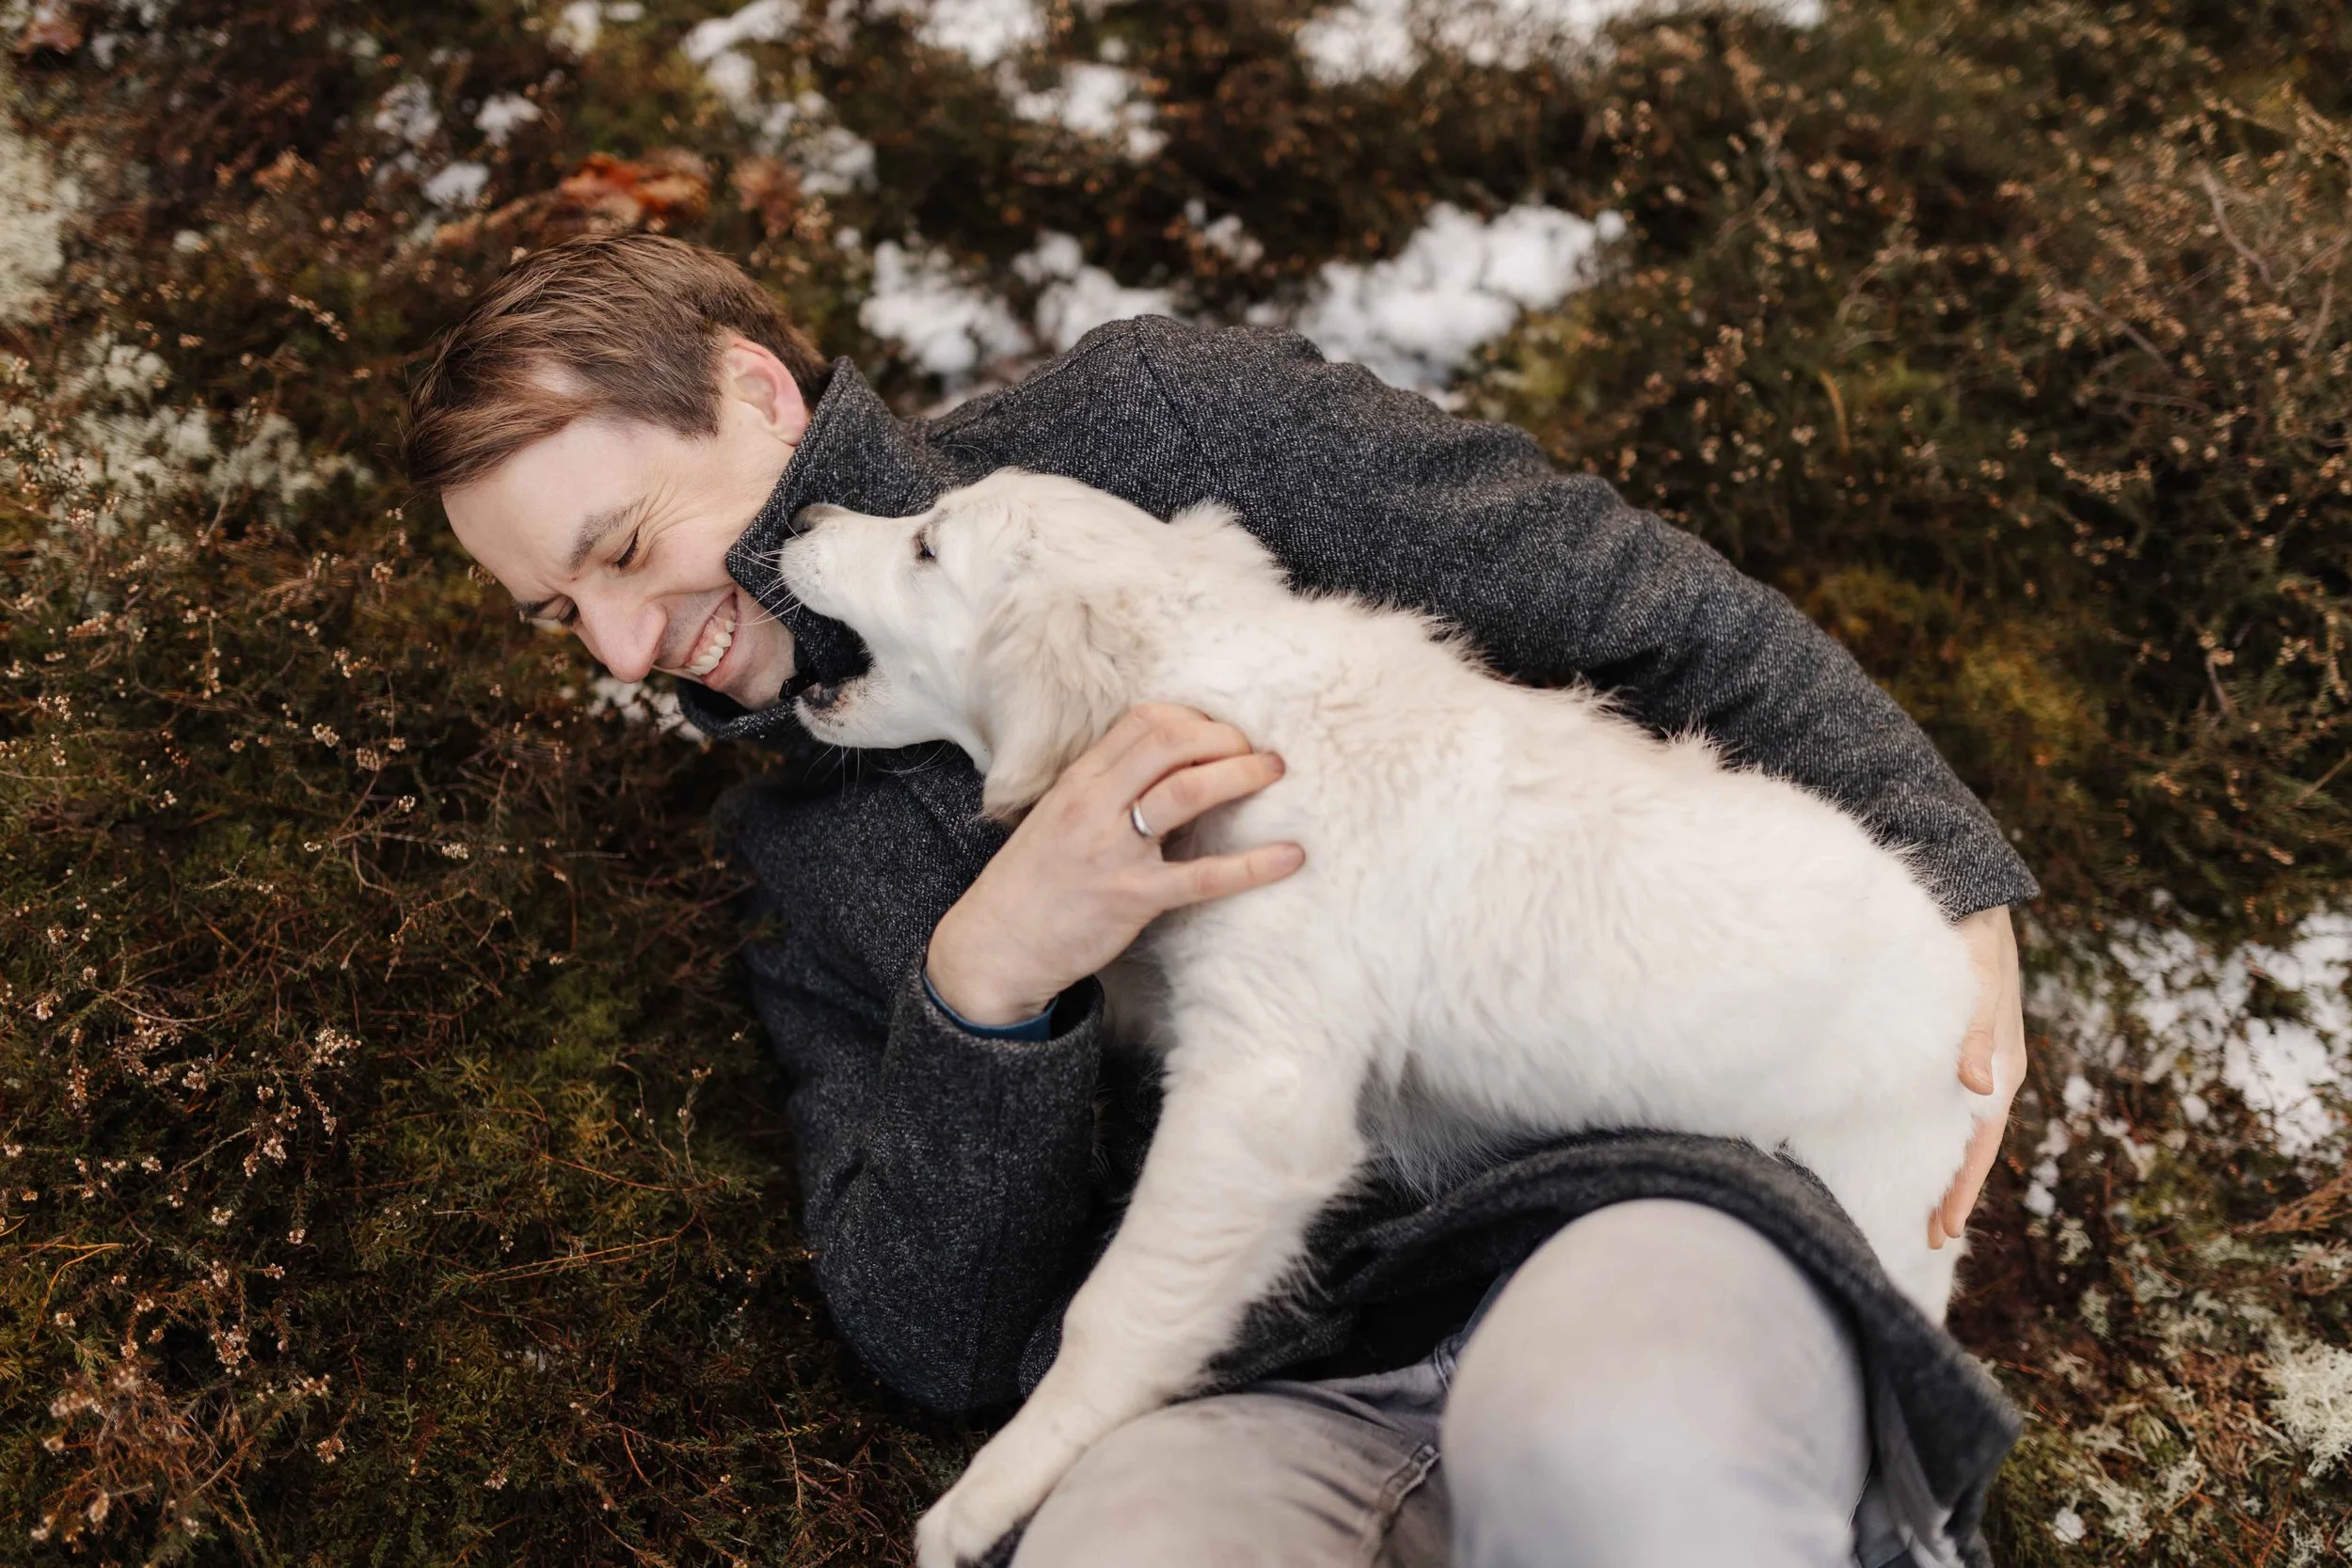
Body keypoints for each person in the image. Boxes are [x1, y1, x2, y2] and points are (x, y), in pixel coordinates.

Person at [405, 233, 2034, 1568]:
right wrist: (989, 988)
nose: (624, 652)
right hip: (1273, 1392)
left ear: (754, 392)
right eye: (567, 615)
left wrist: (1948, 911)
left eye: (623, 548)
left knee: (1608, 1448)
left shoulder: (1160, 425)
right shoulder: (790, 857)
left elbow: (1661, 618)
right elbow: (936, 1337)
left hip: (1638, 1212)